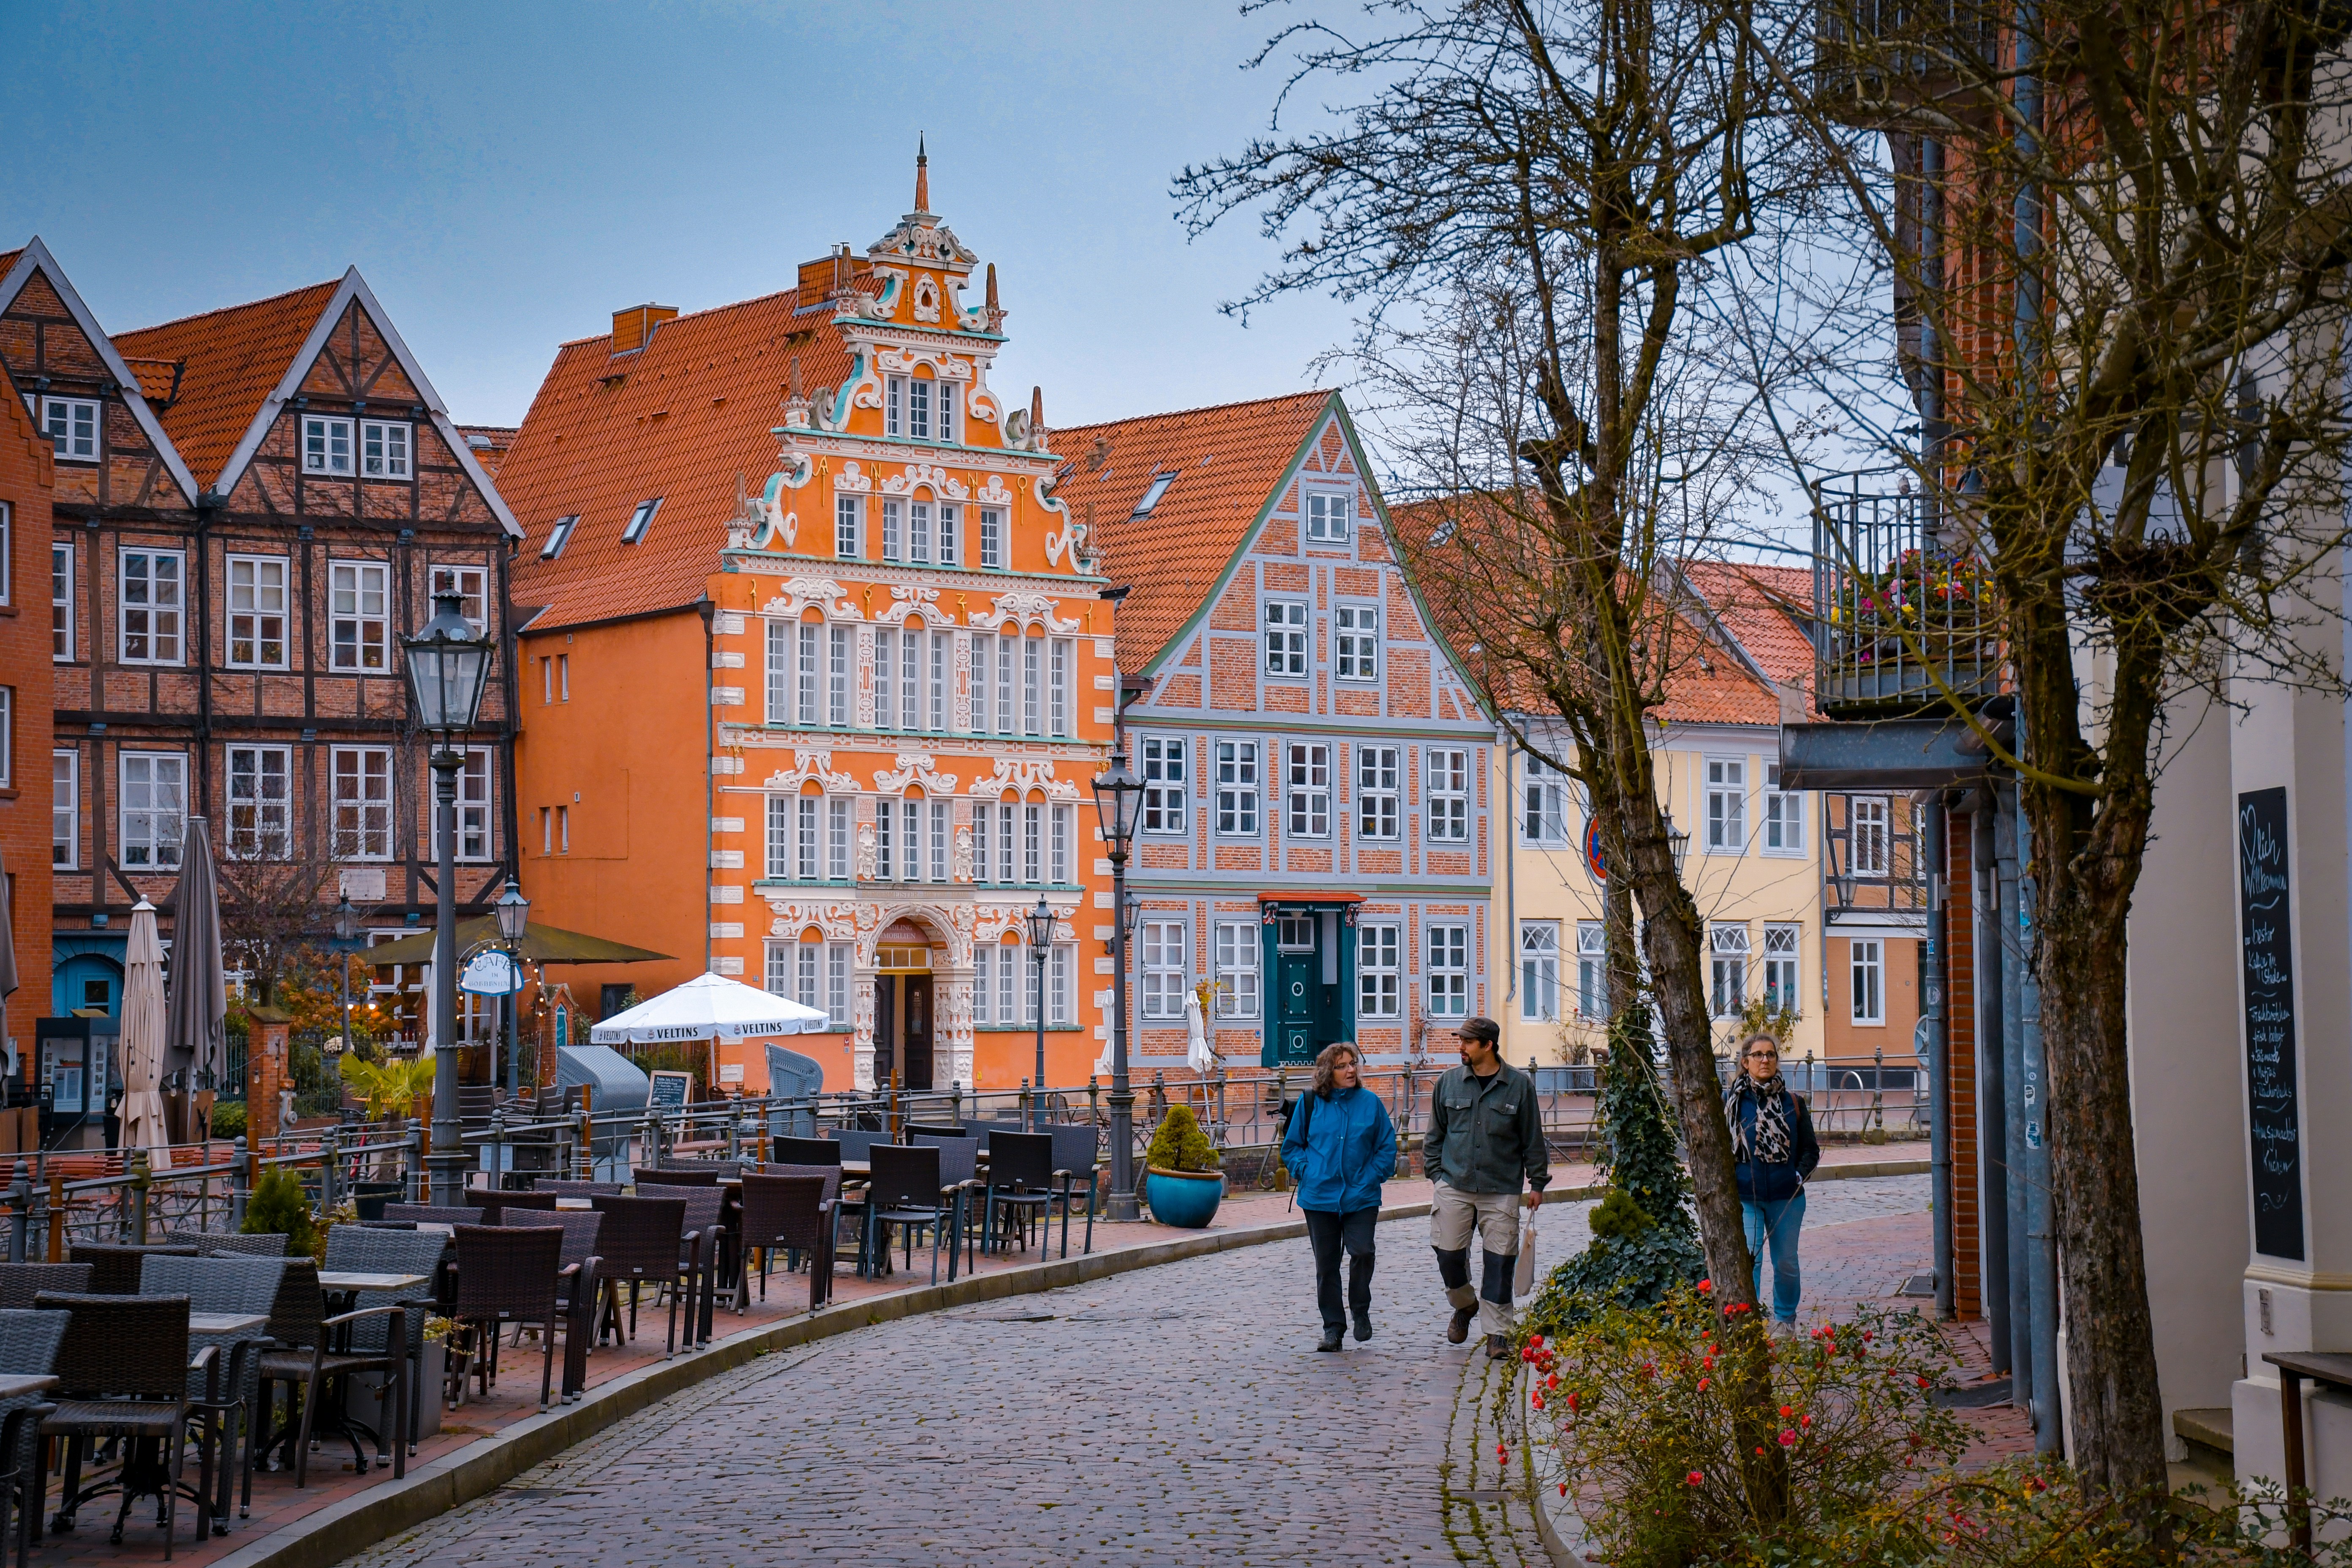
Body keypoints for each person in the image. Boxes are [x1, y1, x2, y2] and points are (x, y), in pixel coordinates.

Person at [1426, 1017, 1550, 1358]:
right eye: (1461, 1041)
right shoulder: (1448, 1083)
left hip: (1501, 1187)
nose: (1461, 1047)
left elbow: (1532, 1139)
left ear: (1488, 1046)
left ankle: (1498, 1334)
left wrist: (1537, 1182)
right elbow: (1434, 1136)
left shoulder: (1519, 1087)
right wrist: (1436, 1175)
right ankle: (1465, 1305)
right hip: (1454, 1183)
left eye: (1467, 1042)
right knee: (1448, 1254)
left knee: (1500, 1262)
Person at [1282, 1042, 1399, 1351]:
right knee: (1327, 1265)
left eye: (1353, 1064)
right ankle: (1333, 1328)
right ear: (1327, 1072)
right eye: (1342, 1066)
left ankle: (1360, 1309)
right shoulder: (1310, 1104)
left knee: (1362, 1251)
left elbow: (1387, 1147)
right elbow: (1291, 1147)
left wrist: (1373, 1175)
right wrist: (1306, 1171)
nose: (1351, 1070)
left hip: (1361, 1195)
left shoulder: (1370, 1103)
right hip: (1320, 1197)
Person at [1724, 1031, 1820, 1332]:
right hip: (1746, 1195)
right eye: (1758, 1055)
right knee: (1750, 1260)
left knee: (1786, 1264)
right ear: (1745, 1062)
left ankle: (1785, 1322)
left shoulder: (1793, 1103)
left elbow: (1810, 1150)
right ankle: (1749, 1323)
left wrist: (1796, 1176)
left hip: (1786, 1198)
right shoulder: (1732, 1102)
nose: (1765, 1060)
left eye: (1771, 1054)